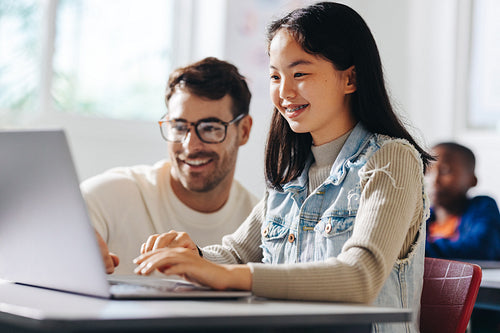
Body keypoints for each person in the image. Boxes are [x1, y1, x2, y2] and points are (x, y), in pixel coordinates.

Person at [133, 3, 433, 332]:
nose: (284, 92)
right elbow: (236, 254)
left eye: (299, 73)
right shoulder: (291, 173)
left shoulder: (391, 160)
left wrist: (229, 277)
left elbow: (359, 277)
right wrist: (194, 257)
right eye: (275, 76)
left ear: (351, 78)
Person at [81, 57, 258, 275]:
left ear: (244, 131)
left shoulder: (259, 222)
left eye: (210, 128)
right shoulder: (110, 195)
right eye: (179, 127)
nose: (190, 146)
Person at [425, 142, 500, 260]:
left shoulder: (483, 207)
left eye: (445, 171)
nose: (434, 180)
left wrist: (419, 250)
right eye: (428, 172)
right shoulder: (421, 218)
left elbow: (482, 248)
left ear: (472, 180)